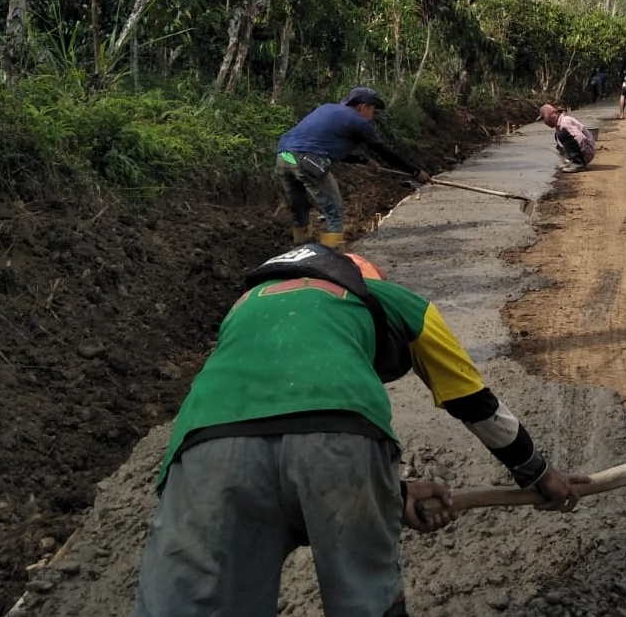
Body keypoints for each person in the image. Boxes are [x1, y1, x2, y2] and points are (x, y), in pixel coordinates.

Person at [133, 244, 589, 617]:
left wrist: (391, 490)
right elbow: (473, 401)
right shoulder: (392, 299)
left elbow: (271, 450)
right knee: (366, 603)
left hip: (204, 448)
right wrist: (537, 472)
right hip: (344, 432)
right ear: (365, 277)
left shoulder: (245, 305)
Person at [275, 87, 431, 248]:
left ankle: (299, 248)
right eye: (373, 110)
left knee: (299, 208)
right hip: (307, 159)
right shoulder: (359, 122)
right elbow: (385, 153)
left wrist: (363, 161)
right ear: (363, 106)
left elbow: (322, 147)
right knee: (333, 211)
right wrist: (415, 172)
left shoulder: (327, 109)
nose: (372, 115)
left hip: (284, 156)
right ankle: (331, 255)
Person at [540, 104, 597, 173]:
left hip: (587, 151)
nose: (544, 122)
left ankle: (578, 163)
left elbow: (580, 138)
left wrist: (581, 157)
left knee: (563, 134)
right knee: (560, 135)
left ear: (552, 114)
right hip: (584, 151)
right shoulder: (559, 124)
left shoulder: (564, 122)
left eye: (544, 118)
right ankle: (573, 161)